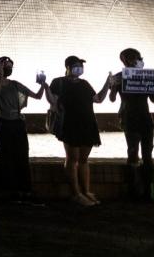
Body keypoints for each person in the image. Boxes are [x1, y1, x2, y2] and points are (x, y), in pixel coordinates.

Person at [46, 55, 111, 207]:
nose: (79, 68)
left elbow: (98, 99)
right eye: (76, 65)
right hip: (70, 124)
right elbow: (52, 100)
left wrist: (108, 83)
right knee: (72, 158)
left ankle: (86, 191)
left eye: (81, 66)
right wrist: (44, 86)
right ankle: (76, 194)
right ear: (67, 67)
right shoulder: (58, 82)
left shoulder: (84, 83)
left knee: (83, 159)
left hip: (87, 124)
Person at [0, 56, 46, 203]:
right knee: (6, 156)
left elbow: (37, 96)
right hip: (3, 123)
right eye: (6, 65)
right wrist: (0, 74)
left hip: (18, 123)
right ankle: (10, 190)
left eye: (10, 66)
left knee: (22, 155)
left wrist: (43, 84)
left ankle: (25, 189)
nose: (9, 68)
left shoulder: (15, 84)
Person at [108, 48, 154, 201]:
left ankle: (147, 192)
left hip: (144, 118)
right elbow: (111, 98)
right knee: (133, 152)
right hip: (129, 118)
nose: (138, 61)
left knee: (147, 154)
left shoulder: (149, 76)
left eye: (139, 58)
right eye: (135, 58)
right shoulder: (119, 76)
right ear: (126, 61)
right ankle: (134, 191)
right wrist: (113, 85)